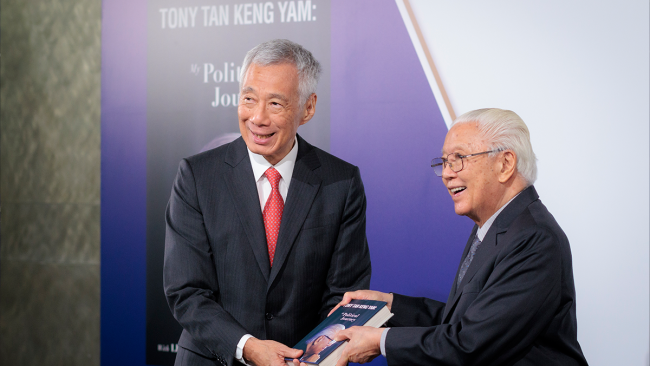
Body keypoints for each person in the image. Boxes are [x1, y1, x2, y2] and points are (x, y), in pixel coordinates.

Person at [163, 39, 372, 366]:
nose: (257, 118)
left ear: (308, 107)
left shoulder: (340, 182)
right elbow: (186, 292)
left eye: (275, 104)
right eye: (249, 99)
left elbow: (342, 295)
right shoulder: (197, 176)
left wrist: (316, 355)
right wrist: (247, 346)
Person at [330, 108, 588, 366]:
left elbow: (472, 344)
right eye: (444, 162)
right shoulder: (495, 227)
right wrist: (389, 306)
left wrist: (381, 341)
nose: (446, 173)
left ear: (505, 164)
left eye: (459, 158)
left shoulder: (534, 239)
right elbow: (462, 322)